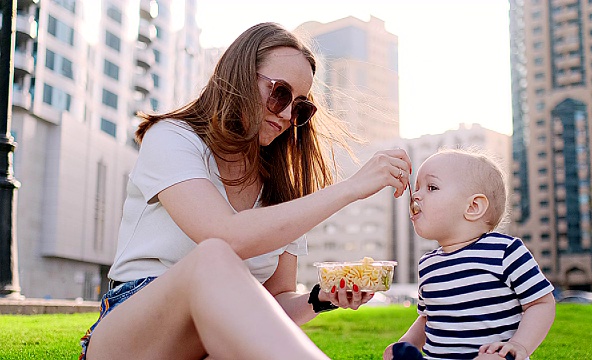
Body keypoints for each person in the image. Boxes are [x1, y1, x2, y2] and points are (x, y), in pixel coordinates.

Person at [80, 22, 412, 360]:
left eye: (299, 108)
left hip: (212, 344)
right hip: (133, 335)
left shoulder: (283, 188)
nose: (285, 115)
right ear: (240, 76)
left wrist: (319, 297)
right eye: (279, 92)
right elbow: (224, 236)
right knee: (214, 256)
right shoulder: (171, 138)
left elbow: (274, 303)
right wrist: (351, 188)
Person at [384, 148, 555, 360]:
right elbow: (428, 318)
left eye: (431, 187)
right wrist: (406, 344)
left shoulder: (505, 252)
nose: (416, 195)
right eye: (417, 188)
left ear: (473, 207)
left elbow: (541, 303)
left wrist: (519, 345)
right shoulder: (428, 265)